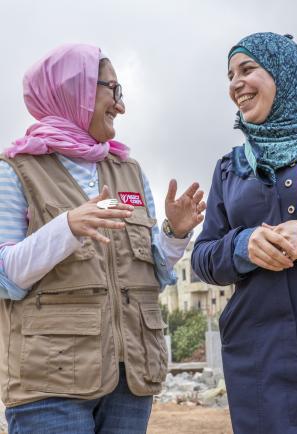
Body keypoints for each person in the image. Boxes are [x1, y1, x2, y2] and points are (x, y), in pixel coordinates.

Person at [0, 44, 206, 434]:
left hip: (131, 376)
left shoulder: (129, 171)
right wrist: (66, 228)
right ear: (73, 89)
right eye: (113, 91)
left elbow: (154, 270)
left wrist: (175, 233)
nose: (121, 106)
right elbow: (5, 277)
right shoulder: (15, 171)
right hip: (51, 382)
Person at [191, 32, 297, 434]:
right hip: (263, 356)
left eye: (247, 69)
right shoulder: (231, 167)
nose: (235, 84)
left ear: (285, 71)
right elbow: (203, 256)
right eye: (230, 75)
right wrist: (243, 246)